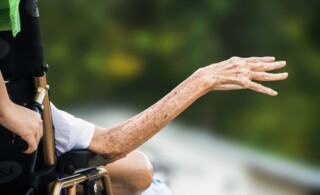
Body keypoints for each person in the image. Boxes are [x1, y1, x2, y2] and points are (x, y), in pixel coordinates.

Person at [0, 0, 288, 194]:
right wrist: (203, 80)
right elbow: (113, 144)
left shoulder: (28, 100)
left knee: (139, 169)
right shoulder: (24, 107)